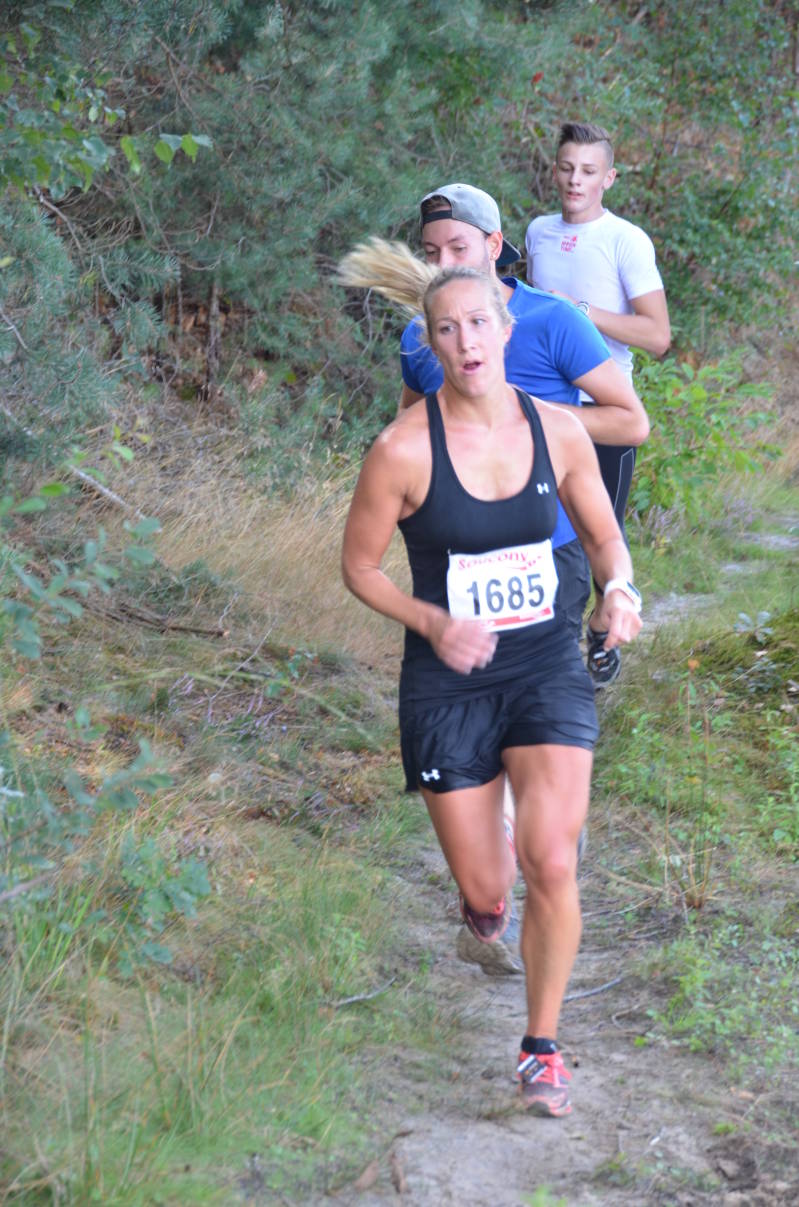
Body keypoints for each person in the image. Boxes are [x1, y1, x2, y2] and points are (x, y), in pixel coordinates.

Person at [337, 244, 643, 1117]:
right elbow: (359, 567)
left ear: (508, 330)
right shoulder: (400, 449)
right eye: (446, 329)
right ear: (429, 343)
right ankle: (486, 886)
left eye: (479, 323)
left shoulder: (559, 429)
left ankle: (540, 1047)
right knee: (486, 888)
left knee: (553, 859)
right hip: (450, 679)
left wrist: (618, 590)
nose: (466, 342)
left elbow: (602, 536)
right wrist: (433, 621)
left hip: (543, 662)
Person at [397, 182, 648, 673]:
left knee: (541, 696)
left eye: (458, 248)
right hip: (456, 553)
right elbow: (408, 429)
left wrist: (524, 412)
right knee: (467, 691)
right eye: (431, 252)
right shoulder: (420, 335)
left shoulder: (553, 320)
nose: (443, 265)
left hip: (548, 547)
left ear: (494, 245)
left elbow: (631, 423)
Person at [525, 122, 670, 684]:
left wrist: (579, 311)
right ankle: (543, 646)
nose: (575, 180)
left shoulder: (625, 240)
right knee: (543, 527)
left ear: (609, 178)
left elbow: (657, 336)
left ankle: (602, 629)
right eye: (566, 168)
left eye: (588, 171)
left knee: (599, 533)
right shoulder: (538, 232)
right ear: (554, 170)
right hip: (544, 409)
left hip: (605, 411)